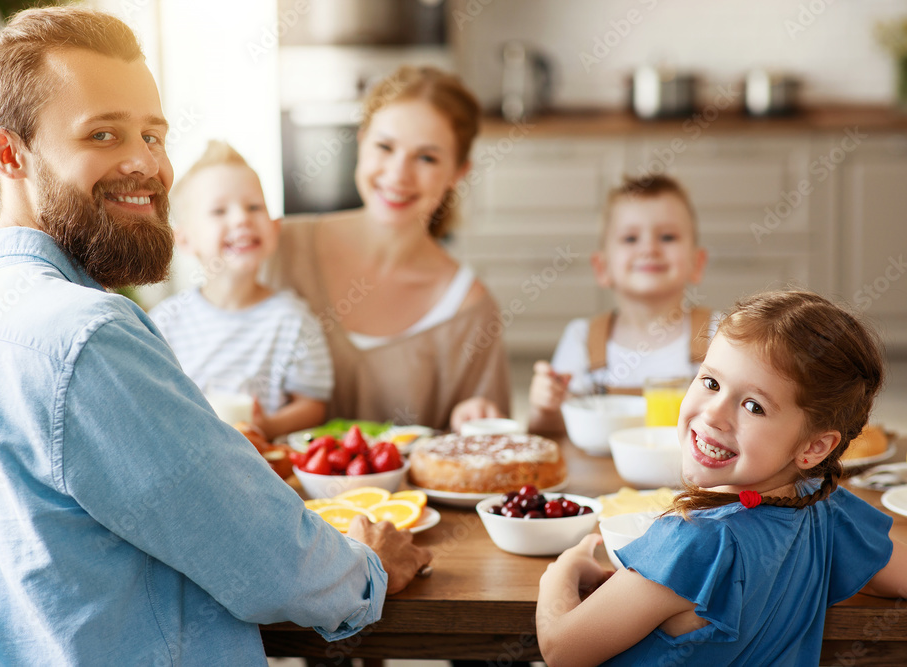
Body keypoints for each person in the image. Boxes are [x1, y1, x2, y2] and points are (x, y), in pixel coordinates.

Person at [0, 8, 430, 665]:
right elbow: (274, 564)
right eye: (102, 134)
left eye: (154, 135)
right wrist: (365, 571)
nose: (146, 164)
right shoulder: (87, 335)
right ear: (9, 154)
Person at [536, 290, 907, 666]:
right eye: (711, 383)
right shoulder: (824, 506)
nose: (714, 415)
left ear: (814, 447)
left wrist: (561, 573)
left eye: (753, 406)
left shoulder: (696, 543)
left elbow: (560, 651)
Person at [267, 65, 510, 433]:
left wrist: (478, 420)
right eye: (385, 146)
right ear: (361, 142)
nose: (399, 174)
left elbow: (485, 456)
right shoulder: (275, 248)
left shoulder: (469, 310)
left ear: (458, 172)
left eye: (426, 158)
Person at [149, 140, 332, 440]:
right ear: (185, 239)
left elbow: (313, 405)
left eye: (254, 207)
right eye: (219, 211)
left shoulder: (292, 319)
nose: (242, 218)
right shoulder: (165, 322)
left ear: (274, 227)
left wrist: (268, 427)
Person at [528, 174, 712, 434]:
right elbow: (552, 434)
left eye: (668, 237)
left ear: (698, 263)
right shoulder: (583, 339)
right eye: (630, 239)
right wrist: (544, 407)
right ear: (602, 267)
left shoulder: (719, 336)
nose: (649, 248)